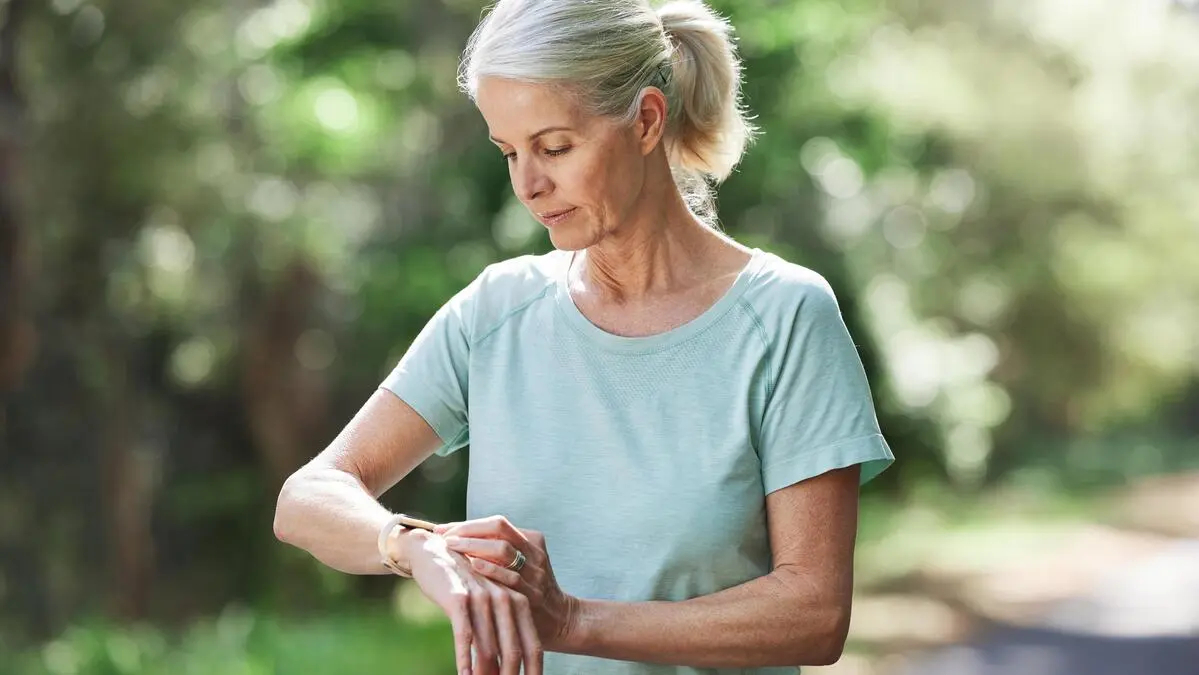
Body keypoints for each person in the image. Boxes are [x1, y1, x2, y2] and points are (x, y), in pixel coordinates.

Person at [272, 0, 895, 673]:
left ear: (646, 121)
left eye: (554, 147)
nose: (528, 185)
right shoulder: (493, 314)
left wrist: (572, 621)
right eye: (509, 152)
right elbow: (306, 497)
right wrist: (413, 546)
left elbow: (812, 613)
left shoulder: (783, 317)